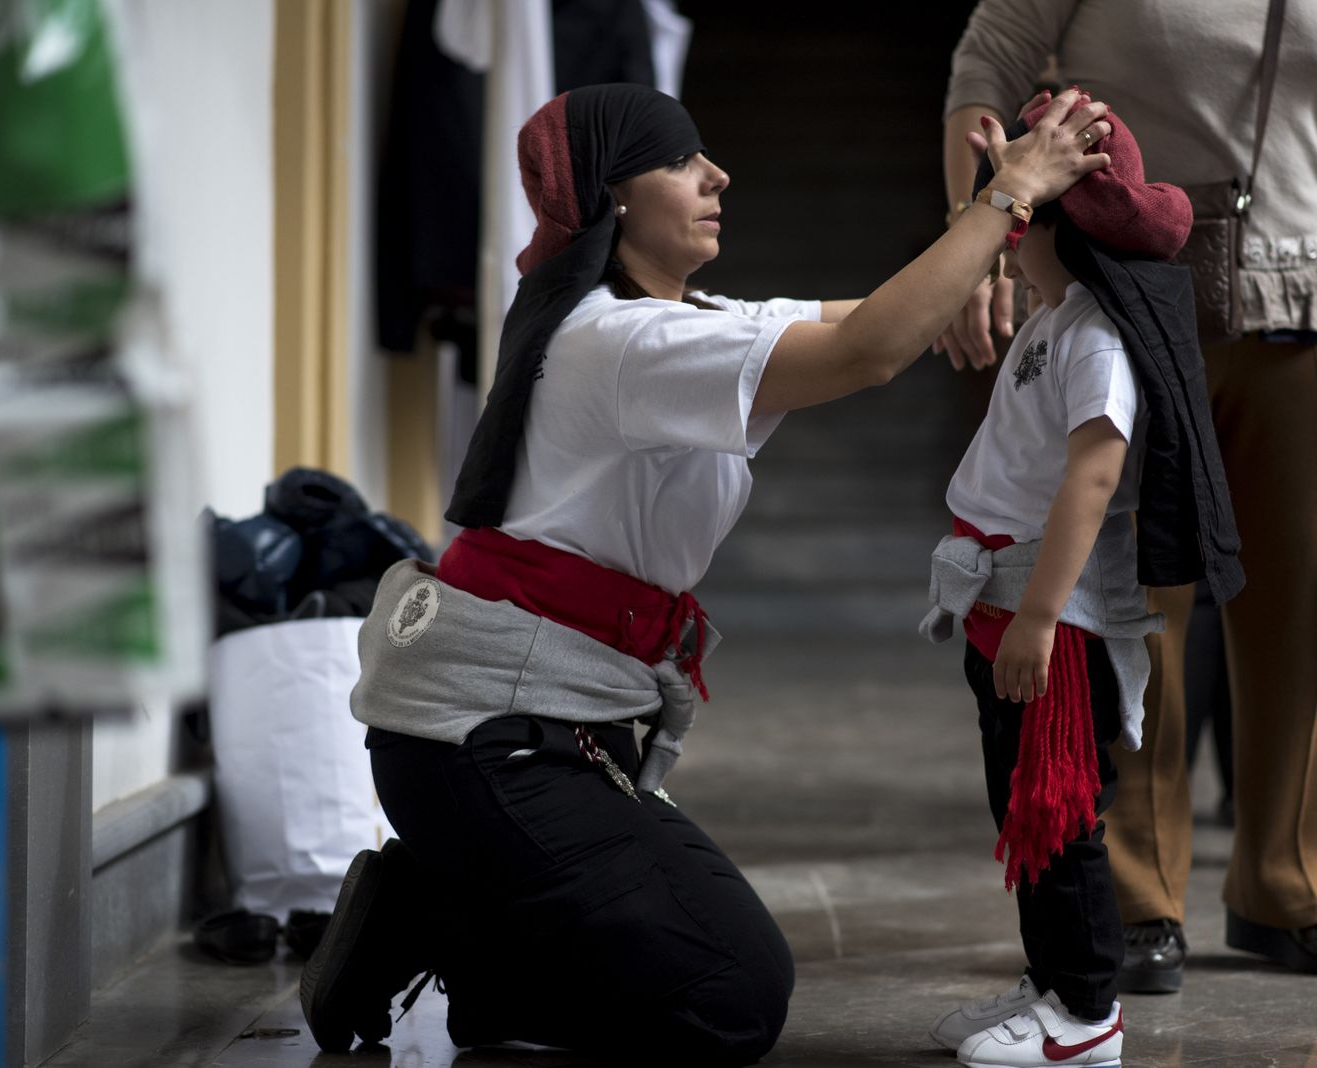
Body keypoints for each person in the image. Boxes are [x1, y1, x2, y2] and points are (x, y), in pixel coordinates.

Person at [298, 82, 1113, 1065]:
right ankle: (448, 926)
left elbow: (882, 320)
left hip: (544, 734)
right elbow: (867, 351)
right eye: (683, 160)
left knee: (702, 966)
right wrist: (1006, 199)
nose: (717, 173)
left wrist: (993, 268)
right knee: (729, 998)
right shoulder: (620, 340)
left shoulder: (685, 319)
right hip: (485, 747)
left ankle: (471, 943)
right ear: (612, 196)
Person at [941, 0, 1317, 990]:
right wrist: (978, 239)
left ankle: (1289, 889)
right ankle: (1137, 896)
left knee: (1305, 603)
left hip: (1307, 296)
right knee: (1142, 606)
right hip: (1139, 294)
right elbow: (982, 68)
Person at [921, 96, 1199, 1068]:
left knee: (1061, 816)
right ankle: (1050, 987)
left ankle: (1086, 1016)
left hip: (1056, 620)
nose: (1004, 229)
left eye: (1018, 206)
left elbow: (1093, 475)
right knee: (1027, 812)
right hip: (1009, 606)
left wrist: (1040, 616)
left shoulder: (1095, 339)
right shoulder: (1054, 317)